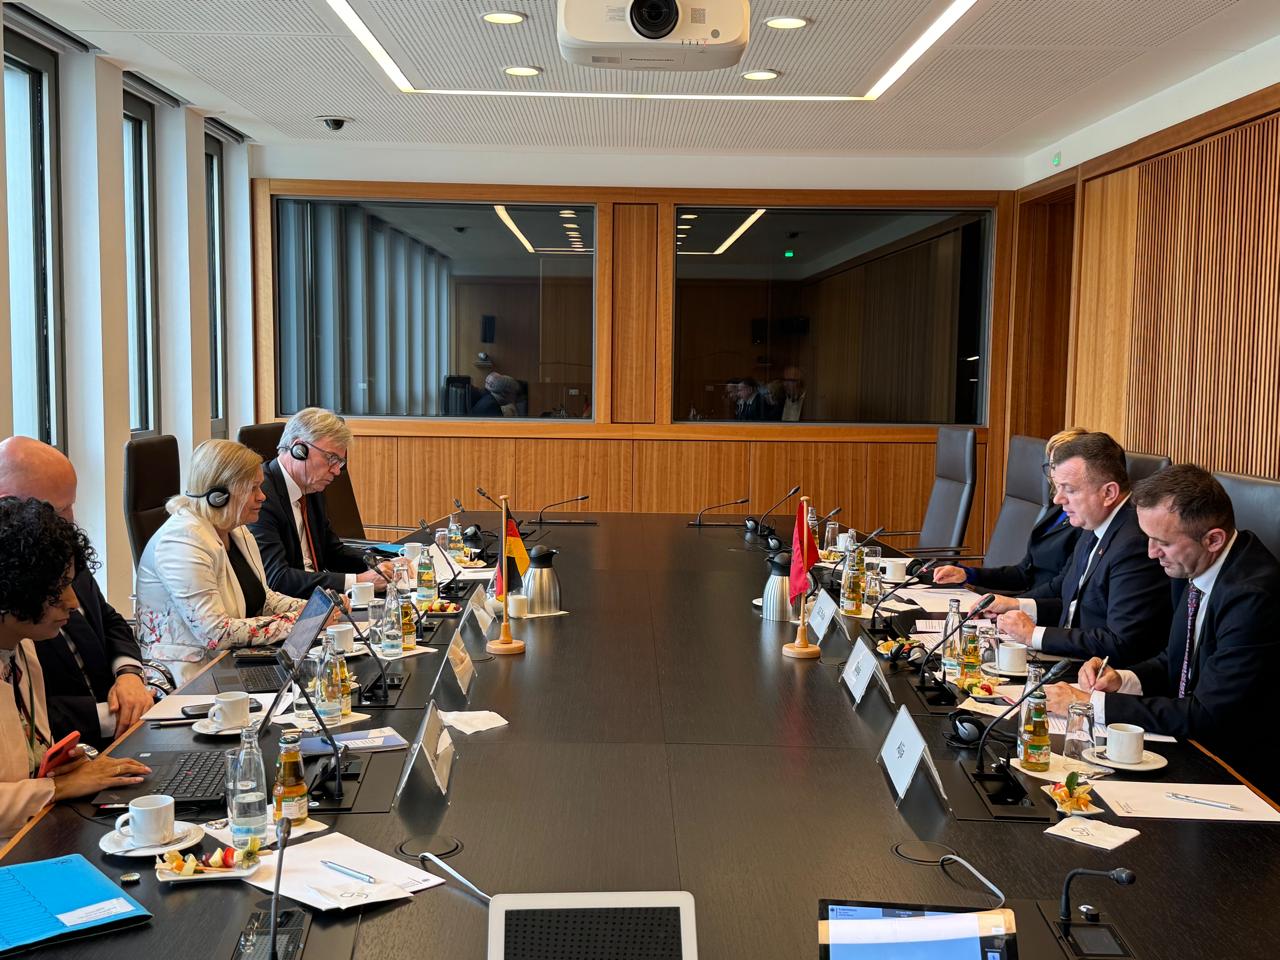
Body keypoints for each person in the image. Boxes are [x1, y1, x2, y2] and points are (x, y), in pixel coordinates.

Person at [1046, 466, 1280, 797]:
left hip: (1239, 774)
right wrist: (1123, 679)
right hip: (1188, 744)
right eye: (1149, 538)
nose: (1151, 553)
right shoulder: (1193, 563)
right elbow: (1177, 659)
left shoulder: (1253, 598)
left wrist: (1092, 703)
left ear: (1213, 539)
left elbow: (1208, 714)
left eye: (1163, 542)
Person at [0, 497, 151, 842]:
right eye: (57, 591)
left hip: (35, 828)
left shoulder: (22, 648)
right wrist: (56, 787)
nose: (72, 602)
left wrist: (76, 765)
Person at [0, 437, 153, 748]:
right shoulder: (17, 572)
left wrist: (128, 674)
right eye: (58, 508)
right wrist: (117, 715)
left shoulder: (60, 548)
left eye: (72, 504)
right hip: (77, 740)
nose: (70, 519)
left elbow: (108, 619)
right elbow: (25, 714)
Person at [979, 432, 1171, 666]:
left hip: (1096, 674)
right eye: (1058, 488)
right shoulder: (1094, 523)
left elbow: (1122, 643)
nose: (1058, 499)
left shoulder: (1134, 544)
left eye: (1069, 490)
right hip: (1064, 659)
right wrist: (1017, 605)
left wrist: (1033, 635)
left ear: (1108, 493)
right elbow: (1073, 604)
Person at [136, 440, 306, 686]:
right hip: (188, 678)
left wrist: (314, 609)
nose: (262, 496)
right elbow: (216, 633)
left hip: (227, 665)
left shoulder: (235, 529)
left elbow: (263, 599)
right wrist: (299, 623)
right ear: (219, 496)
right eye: (253, 488)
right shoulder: (182, 541)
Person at [247, 408, 386, 600]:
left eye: (340, 462)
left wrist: (379, 563)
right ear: (299, 450)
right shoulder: (262, 497)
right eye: (331, 459)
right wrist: (358, 581)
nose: (336, 471)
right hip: (289, 604)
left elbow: (331, 552)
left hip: (321, 598)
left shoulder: (310, 487)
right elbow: (278, 578)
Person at [931, 428, 1086, 592]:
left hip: (1039, 604)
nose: (1053, 473)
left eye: (1059, 464)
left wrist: (1015, 603)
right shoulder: (1057, 509)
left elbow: (1060, 590)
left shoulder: (1083, 523)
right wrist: (967, 574)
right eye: (1051, 465)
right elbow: (1022, 573)